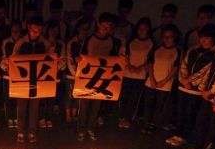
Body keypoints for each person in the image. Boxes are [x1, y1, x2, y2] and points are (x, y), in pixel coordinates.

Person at [165, 24, 215, 147]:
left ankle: (184, 136)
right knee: (180, 112)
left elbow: (206, 71)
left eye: (207, 38)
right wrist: (183, 79)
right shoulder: (193, 50)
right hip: (183, 87)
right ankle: (177, 133)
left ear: (214, 38)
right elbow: (183, 65)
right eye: (202, 37)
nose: (203, 40)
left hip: (196, 90)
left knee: (190, 113)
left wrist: (190, 81)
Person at [76, 12, 121, 141]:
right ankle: (81, 129)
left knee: (96, 105)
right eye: (104, 25)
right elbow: (81, 55)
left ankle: (91, 128)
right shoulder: (89, 39)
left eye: (109, 26)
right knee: (84, 105)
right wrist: (79, 60)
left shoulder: (112, 41)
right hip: (88, 77)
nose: (107, 28)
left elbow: (114, 59)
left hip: (103, 78)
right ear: (98, 24)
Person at [11, 16, 48, 143]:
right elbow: (13, 60)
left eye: (39, 31)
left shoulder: (44, 43)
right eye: (34, 30)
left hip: (37, 81)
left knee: (34, 108)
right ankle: (20, 132)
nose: (36, 33)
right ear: (28, 28)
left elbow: (50, 60)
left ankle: (32, 132)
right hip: (22, 81)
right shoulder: (20, 43)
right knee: (21, 107)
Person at [142, 25, 181, 134]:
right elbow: (150, 64)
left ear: (174, 37)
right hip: (151, 81)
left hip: (165, 84)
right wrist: (152, 79)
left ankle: (153, 124)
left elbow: (175, 68)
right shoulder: (156, 49)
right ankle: (146, 123)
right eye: (165, 36)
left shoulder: (177, 50)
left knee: (159, 106)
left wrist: (164, 81)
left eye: (170, 36)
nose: (167, 39)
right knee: (148, 104)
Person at [117, 17, 153, 130]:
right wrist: (129, 66)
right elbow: (124, 55)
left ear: (148, 30)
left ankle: (129, 118)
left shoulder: (151, 43)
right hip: (127, 73)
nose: (141, 31)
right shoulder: (131, 41)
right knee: (124, 96)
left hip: (141, 75)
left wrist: (140, 68)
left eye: (144, 29)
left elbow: (151, 59)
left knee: (135, 98)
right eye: (140, 28)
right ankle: (121, 117)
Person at [65, 19, 90, 126]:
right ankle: (68, 115)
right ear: (78, 29)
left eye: (86, 29)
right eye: (82, 29)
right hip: (72, 74)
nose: (84, 31)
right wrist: (75, 73)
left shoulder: (88, 42)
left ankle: (75, 115)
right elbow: (69, 59)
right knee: (69, 95)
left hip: (83, 74)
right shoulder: (72, 42)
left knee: (78, 95)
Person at [42, 20, 66, 129]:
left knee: (52, 98)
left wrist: (55, 69)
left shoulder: (60, 44)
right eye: (51, 30)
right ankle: (41, 118)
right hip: (42, 74)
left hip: (55, 74)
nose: (53, 32)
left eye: (55, 30)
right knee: (42, 98)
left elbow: (62, 59)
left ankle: (49, 118)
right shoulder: (42, 42)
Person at [0, 20, 22, 129]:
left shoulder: (23, 42)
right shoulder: (6, 42)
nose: (16, 33)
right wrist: (6, 68)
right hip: (7, 75)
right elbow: (3, 58)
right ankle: (9, 118)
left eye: (18, 31)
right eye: (14, 31)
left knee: (18, 98)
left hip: (20, 76)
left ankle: (17, 118)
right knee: (8, 98)